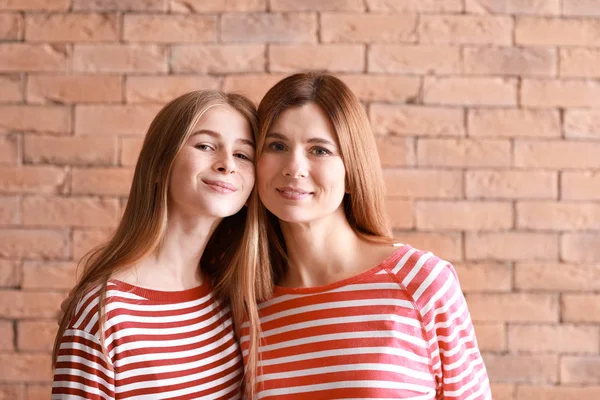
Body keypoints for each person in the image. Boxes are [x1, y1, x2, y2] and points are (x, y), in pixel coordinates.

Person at [239, 73, 491, 399]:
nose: (293, 167)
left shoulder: (421, 282)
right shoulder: (251, 302)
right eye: (277, 146)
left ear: (351, 172)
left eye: (319, 150)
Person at [52, 90, 260, 399]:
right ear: (160, 164)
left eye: (243, 155)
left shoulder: (231, 298)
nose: (227, 164)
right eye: (205, 146)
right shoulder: (103, 314)